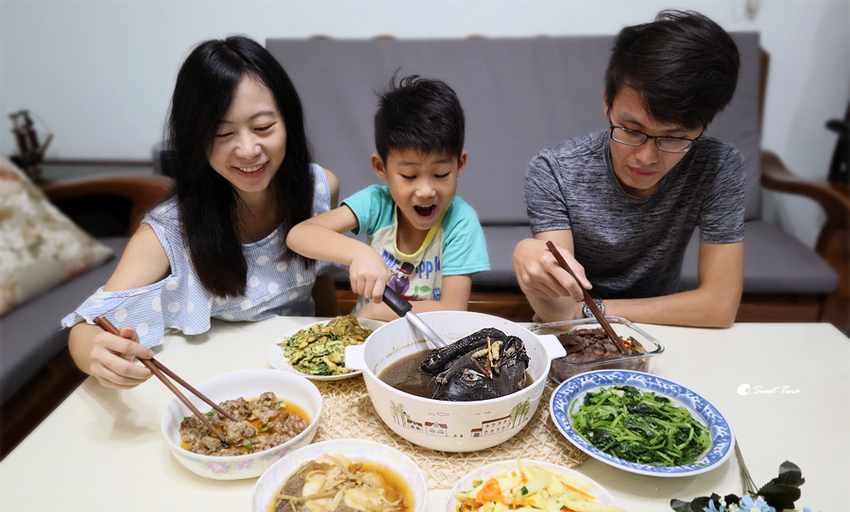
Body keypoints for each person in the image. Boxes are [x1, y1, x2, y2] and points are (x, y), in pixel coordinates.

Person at [63, 36, 341, 389]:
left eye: (263, 128)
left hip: (302, 374)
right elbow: (86, 327)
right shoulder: (167, 232)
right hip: (220, 385)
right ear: (195, 138)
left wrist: (336, 334)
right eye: (223, 133)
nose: (248, 149)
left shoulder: (320, 187)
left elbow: (321, 277)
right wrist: (95, 354)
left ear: (288, 122)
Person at [512, 10, 745, 328]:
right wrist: (526, 255)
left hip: (664, 331)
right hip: (578, 336)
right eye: (632, 130)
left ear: (703, 127)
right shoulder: (554, 170)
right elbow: (558, 310)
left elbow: (719, 307)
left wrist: (590, 310)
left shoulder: (718, 166)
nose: (647, 157)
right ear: (607, 102)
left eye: (675, 137)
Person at [286, 75, 490, 321]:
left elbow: (453, 309)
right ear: (380, 167)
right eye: (409, 175)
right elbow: (299, 235)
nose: (426, 190)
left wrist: (376, 310)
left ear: (460, 164)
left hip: (430, 339)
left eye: (440, 174)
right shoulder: (376, 203)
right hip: (368, 335)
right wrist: (360, 254)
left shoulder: (461, 221)